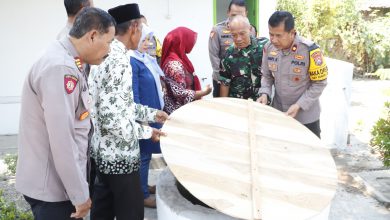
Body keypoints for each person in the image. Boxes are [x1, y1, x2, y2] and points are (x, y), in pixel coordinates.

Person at [15, 7, 115, 220]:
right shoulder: (61, 68)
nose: (109, 50)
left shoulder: (66, 56)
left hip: (54, 182)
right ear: (93, 36)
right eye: (108, 42)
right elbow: (62, 140)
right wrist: (79, 195)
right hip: (52, 189)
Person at [88, 4, 168, 220]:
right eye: (141, 29)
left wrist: (152, 114)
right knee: (131, 215)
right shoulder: (120, 60)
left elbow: (118, 105)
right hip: (121, 159)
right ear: (134, 27)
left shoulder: (105, 52)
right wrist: (146, 132)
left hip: (103, 154)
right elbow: (114, 119)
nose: (142, 36)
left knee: (102, 212)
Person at [257, 11, 328, 138]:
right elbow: (266, 76)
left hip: (306, 118)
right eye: (271, 34)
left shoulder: (310, 50)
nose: (273, 39)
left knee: (308, 155)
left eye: (278, 35)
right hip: (279, 114)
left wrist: (299, 105)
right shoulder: (268, 48)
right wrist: (264, 93)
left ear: (292, 32)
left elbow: (319, 83)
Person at [129, 25, 165, 208]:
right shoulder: (132, 61)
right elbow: (135, 95)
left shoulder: (144, 59)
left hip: (153, 114)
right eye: (143, 39)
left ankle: (144, 186)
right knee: (143, 155)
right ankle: (142, 194)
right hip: (144, 116)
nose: (147, 43)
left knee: (148, 154)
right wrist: (142, 120)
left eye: (148, 40)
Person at [208, 0, 256, 97]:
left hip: (244, 80)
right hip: (222, 79)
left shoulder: (251, 29)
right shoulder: (217, 30)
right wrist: (222, 79)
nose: (237, 18)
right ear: (228, 12)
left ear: (246, 14)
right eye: (233, 15)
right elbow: (214, 56)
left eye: (241, 15)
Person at [161, 27, 212, 115]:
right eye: (189, 40)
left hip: (182, 110)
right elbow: (179, 93)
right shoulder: (174, 65)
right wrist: (203, 92)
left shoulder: (179, 57)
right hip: (177, 113)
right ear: (182, 41)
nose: (192, 43)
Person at [219, 15, 268, 100]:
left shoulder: (264, 46)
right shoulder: (228, 55)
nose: (238, 39)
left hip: (261, 102)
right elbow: (225, 83)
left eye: (242, 33)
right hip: (238, 104)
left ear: (249, 29)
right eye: (234, 35)